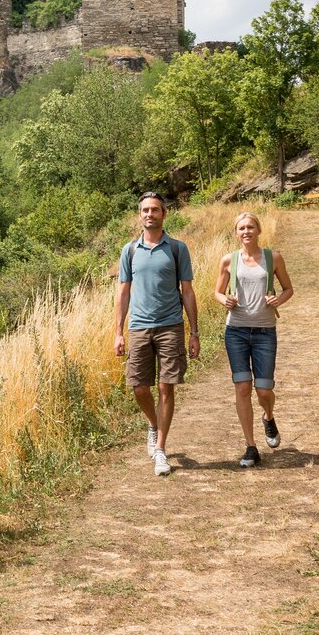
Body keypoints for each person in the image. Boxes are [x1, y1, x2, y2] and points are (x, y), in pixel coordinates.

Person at [115, 192, 200, 477]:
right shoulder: (130, 250)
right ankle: (153, 425)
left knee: (166, 387)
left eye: (155, 210)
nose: (150, 214)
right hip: (138, 327)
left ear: (164, 214)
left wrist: (194, 332)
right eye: (145, 210)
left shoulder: (177, 249)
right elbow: (123, 291)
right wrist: (118, 331)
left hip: (170, 325)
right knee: (139, 387)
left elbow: (187, 291)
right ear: (139, 216)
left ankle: (161, 449)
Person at [214, 212, 293, 468]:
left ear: (259, 230)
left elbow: (288, 288)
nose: (246, 231)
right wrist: (224, 299)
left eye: (250, 227)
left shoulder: (273, 258)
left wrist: (278, 300)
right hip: (235, 331)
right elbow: (217, 291)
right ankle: (250, 447)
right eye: (241, 228)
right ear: (236, 233)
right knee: (242, 388)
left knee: (264, 389)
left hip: (264, 332)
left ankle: (268, 416)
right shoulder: (229, 260)